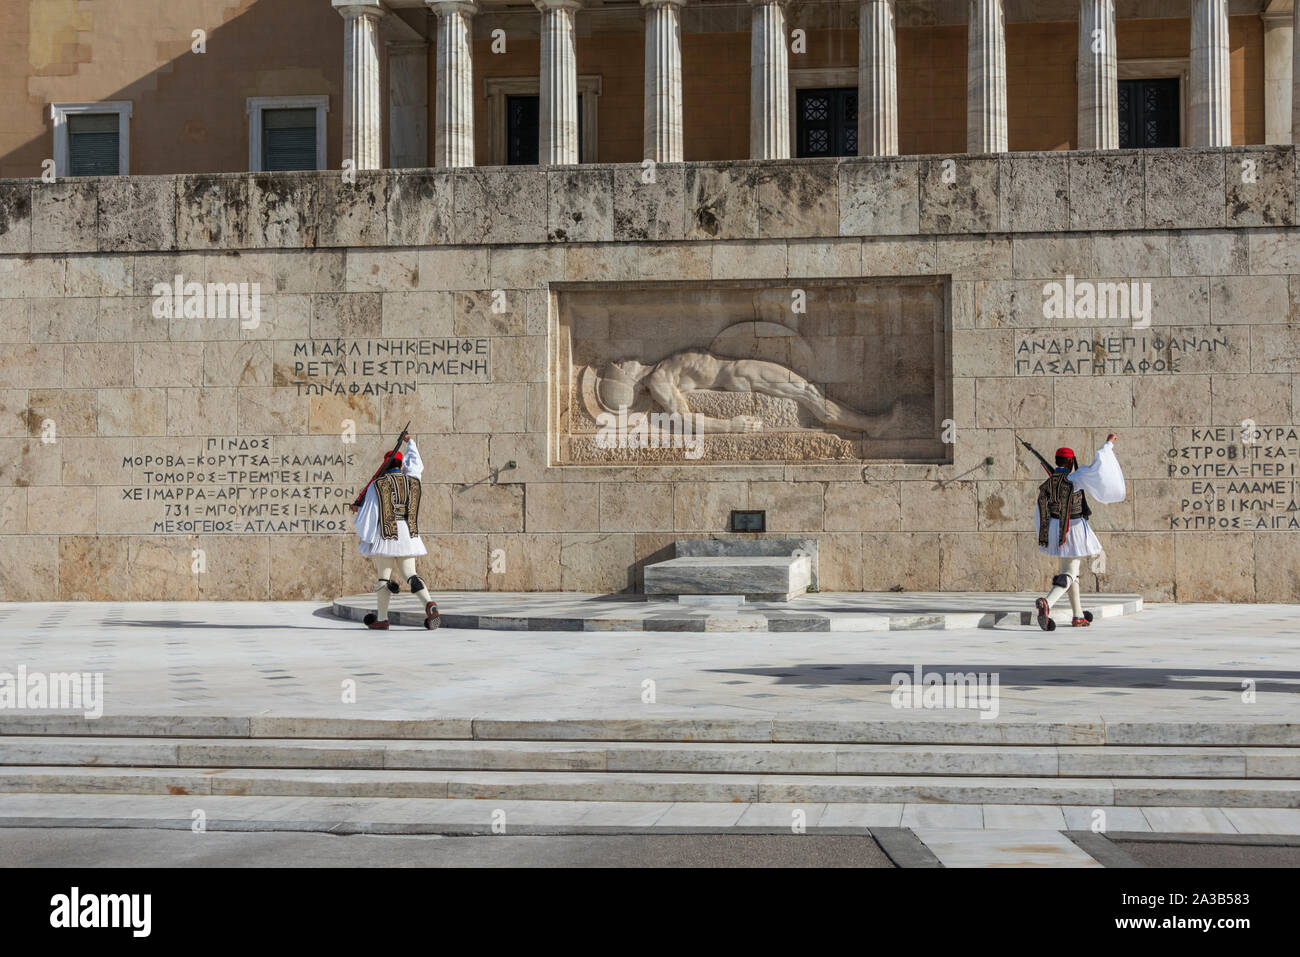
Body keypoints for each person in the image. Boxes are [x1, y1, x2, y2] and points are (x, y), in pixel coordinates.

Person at [1033, 433, 1125, 631]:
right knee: (1069, 572)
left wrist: (1045, 535)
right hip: (1072, 529)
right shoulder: (1075, 478)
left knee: (1072, 573)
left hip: (1056, 530)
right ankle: (1047, 602)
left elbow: (1039, 512)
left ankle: (1078, 616)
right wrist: (1108, 444)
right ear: (1070, 462)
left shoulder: (1048, 484)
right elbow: (1098, 465)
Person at [351, 435, 439, 630]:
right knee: (410, 574)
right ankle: (429, 603)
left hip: (387, 533)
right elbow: (416, 464)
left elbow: (372, 511)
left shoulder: (378, 484)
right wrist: (411, 443)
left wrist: (359, 510)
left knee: (384, 577)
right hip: (409, 534)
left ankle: (382, 619)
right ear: (401, 465)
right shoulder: (414, 481)